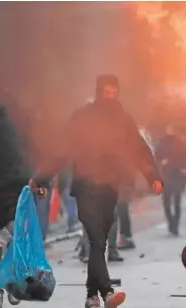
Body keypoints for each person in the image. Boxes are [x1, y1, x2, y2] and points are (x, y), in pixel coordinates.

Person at [30, 74, 163, 308]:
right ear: (98, 91)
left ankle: (92, 296)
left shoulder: (123, 120)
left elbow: (138, 148)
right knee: (95, 238)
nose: (110, 97)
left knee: (98, 240)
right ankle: (107, 292)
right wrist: (41, 176)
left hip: (110, 187)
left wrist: (153, 176)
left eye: (114, 93)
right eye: (106, 92)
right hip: (85, 186)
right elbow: (62, 149)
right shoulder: (82, 118)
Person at [0, 70, 26, 308]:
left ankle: (7, 284)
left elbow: (32, 145)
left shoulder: (17, 114)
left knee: (5, 235)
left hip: (12, 182)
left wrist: (37, 179)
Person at [156, 126, 186, 236]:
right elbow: (157, 156)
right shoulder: (162, 142)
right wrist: (161, 162)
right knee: (166, 202)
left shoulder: (180, 142)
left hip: (176, 174)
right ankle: (171, 222)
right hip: (165, 175)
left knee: (176, 201)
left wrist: (184, 167)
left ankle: (175, 225)